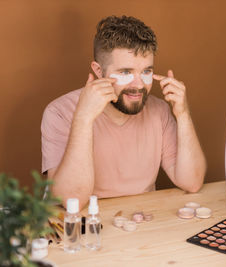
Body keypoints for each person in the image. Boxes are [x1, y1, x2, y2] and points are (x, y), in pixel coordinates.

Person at [41, 15, 207, 209]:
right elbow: (72, 202)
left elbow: (192, 182)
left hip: (141, 224)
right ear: (98, 70)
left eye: (146, 72)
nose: (138, 85)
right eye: (125, 72)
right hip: (85, 226)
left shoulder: (159, 110)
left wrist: (183, 114)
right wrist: (83, 119)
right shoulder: (59, 112)